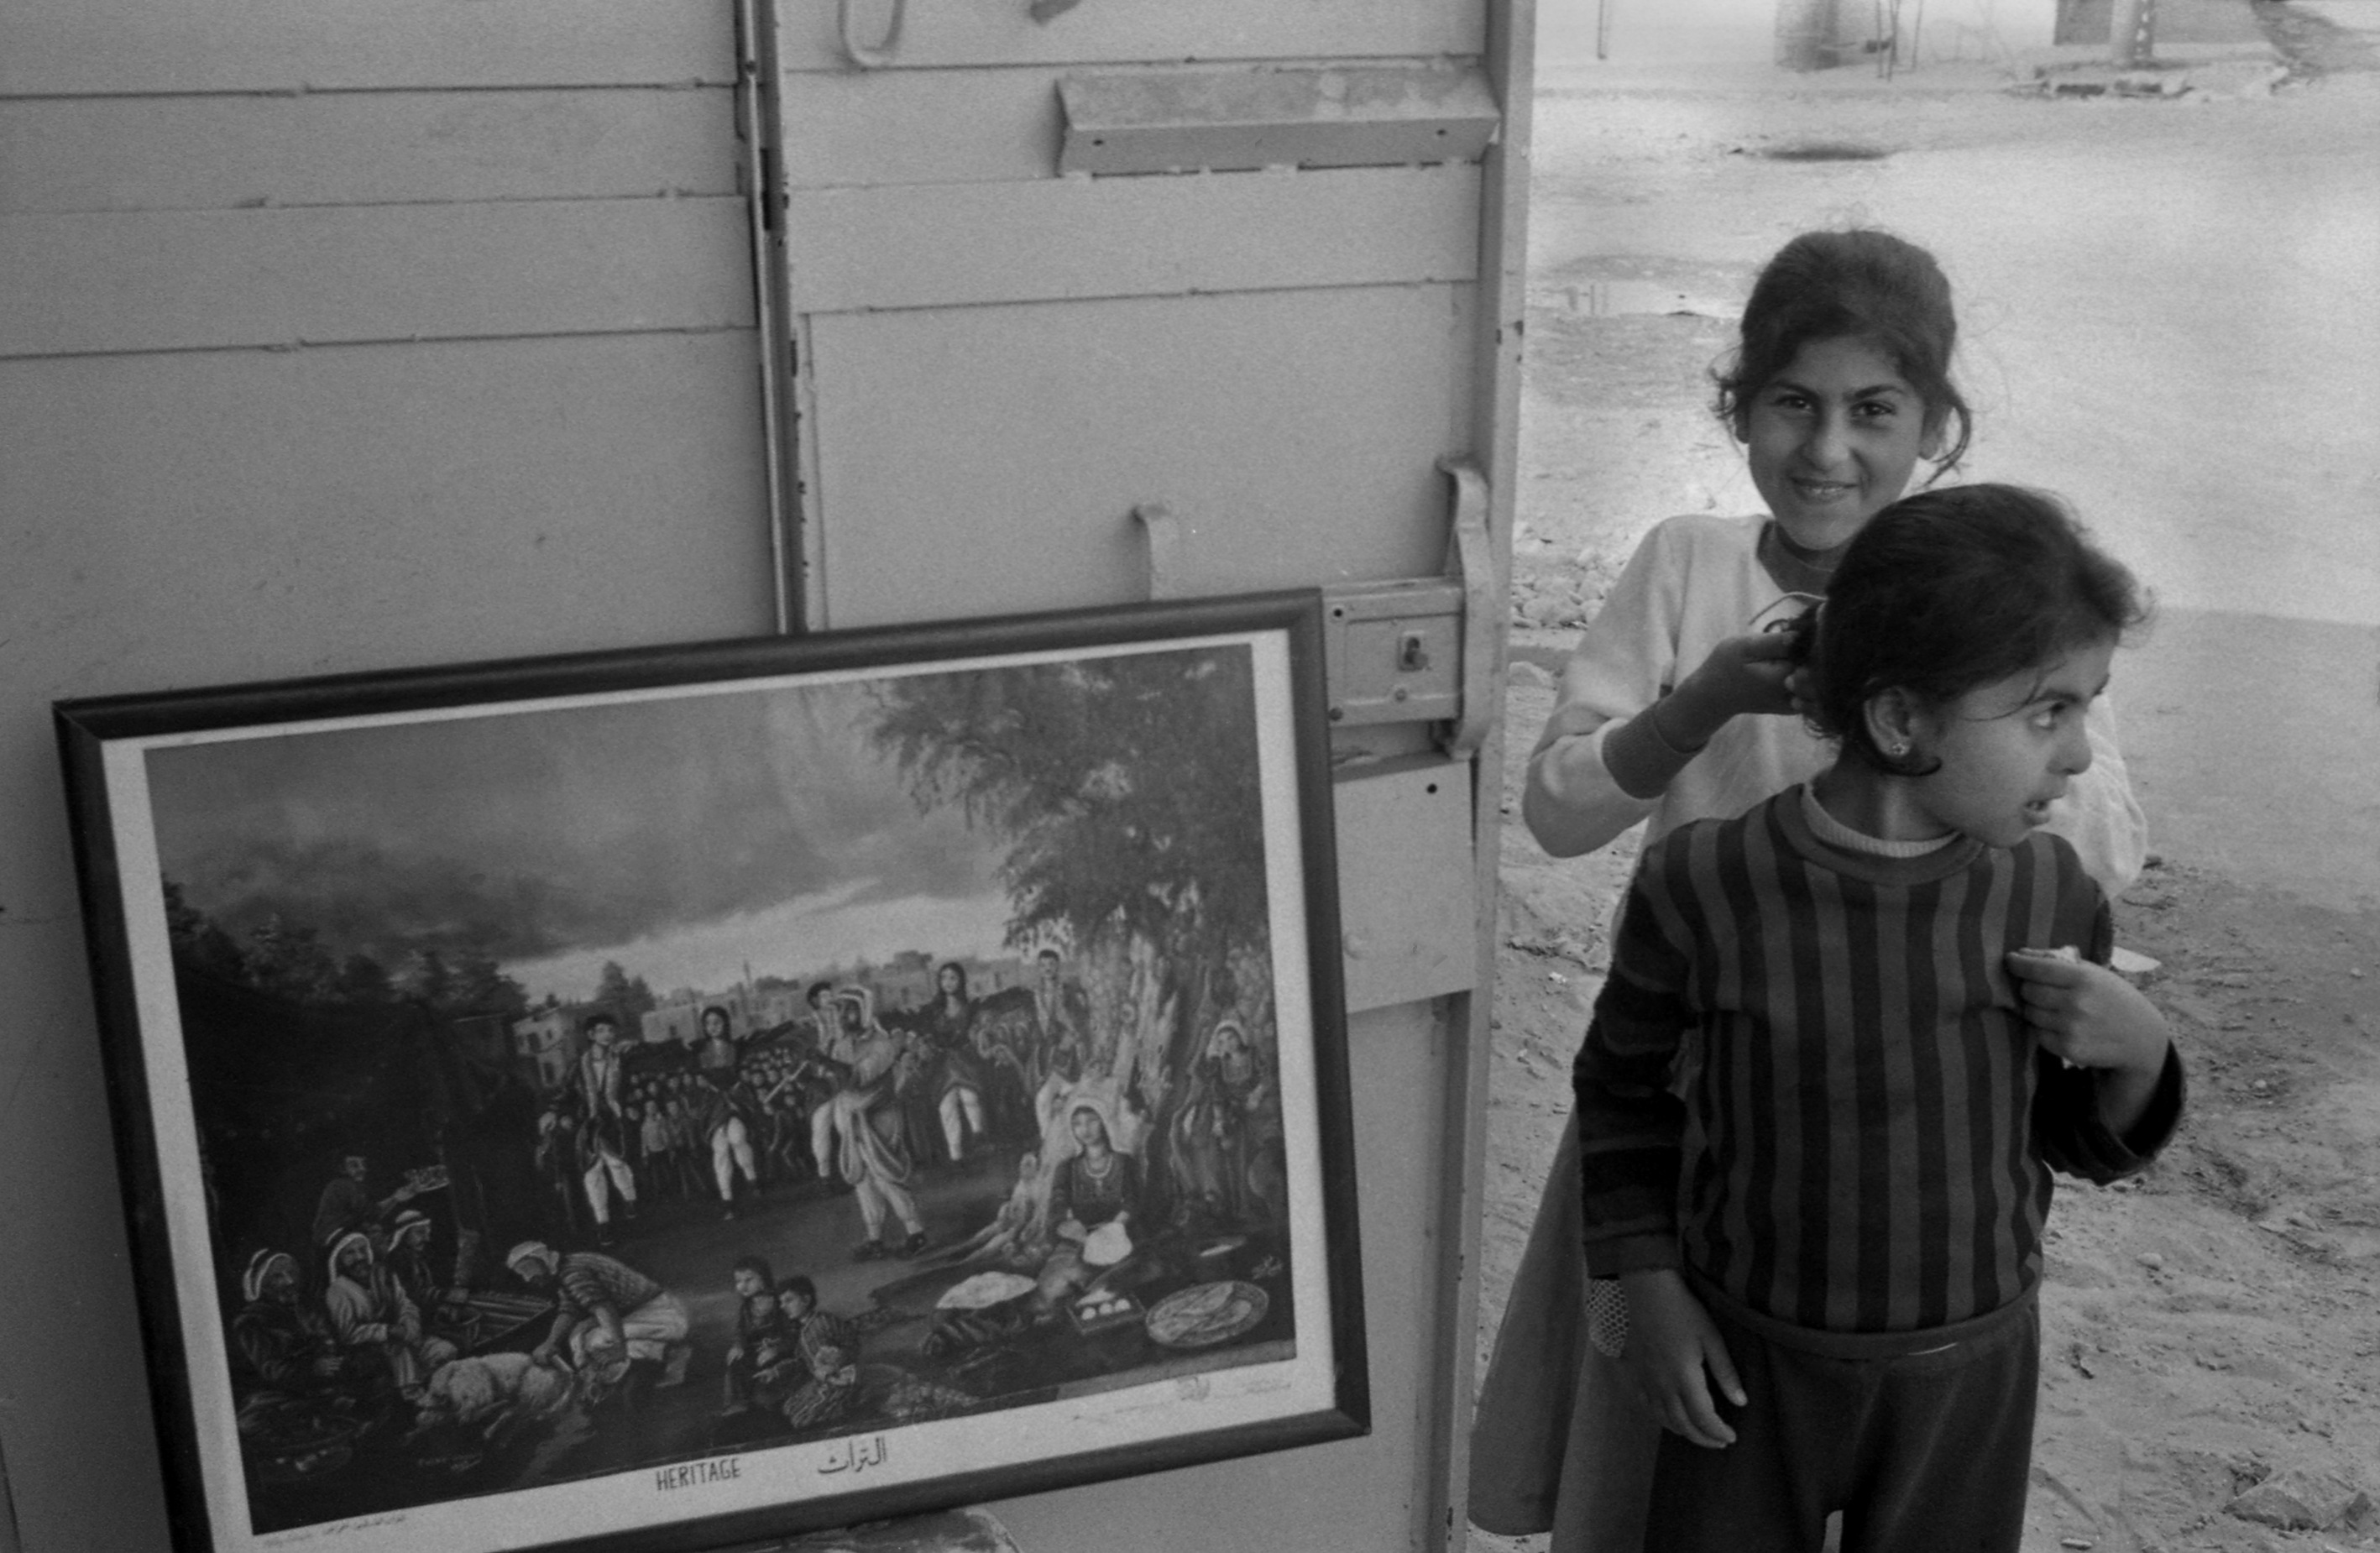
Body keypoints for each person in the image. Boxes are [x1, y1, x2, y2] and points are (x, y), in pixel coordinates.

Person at [1470, 228, 2154, 1552]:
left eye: (1872, 410)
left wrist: (1973, 678)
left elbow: (2095, 849)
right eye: (1791, 402)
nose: (1826, 449)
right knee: (1659, 1449)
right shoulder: (1685, 564)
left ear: (1933, 428)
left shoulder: (1989, 602)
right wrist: (1711, 695)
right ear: (1739, 408)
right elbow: (1557, 810)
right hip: (1691, 1095)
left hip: (1911, 1103)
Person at [1569, 485, 2184, 1550]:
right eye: (2049, 711)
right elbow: (1621, 1094)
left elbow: (2063, 1136)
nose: (2080, 754)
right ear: (1900, 719)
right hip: (1743, 1356)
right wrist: (1645, 1288)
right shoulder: (1705, 885)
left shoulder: (2052, 896)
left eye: (2086, 706)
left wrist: (2142, 1052)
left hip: (1971, 1373)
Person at [506, 1240, 693, 1391]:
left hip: (657, 1311)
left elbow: (604, 1308)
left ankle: (672, 1353)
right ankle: (594, 1381)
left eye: (529, 1270)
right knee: (578, 1336)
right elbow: (570, 1310)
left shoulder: (574, 1271)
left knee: (599, 1342)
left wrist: (619, 1347)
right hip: (635, 1311)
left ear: (542, 1261)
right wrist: (551, 1342)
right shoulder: (567, 1269)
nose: (528, 1278)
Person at [322, 1229, 458, 1399]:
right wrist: (387, 1331)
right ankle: (413, 1399)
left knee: (445, 1351)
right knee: (399, 1353)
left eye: (362, 1250)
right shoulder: (337, 1291)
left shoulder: (383, 1273)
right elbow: (348, 1333)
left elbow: (405, 1303)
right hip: (370, 1352)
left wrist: (409, 1325)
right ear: (339, 1259)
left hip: (404, 1337)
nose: (359, 1257)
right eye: (350, 1253)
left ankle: (435, 1391)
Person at [573, 1014, 639, 1242]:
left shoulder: (620, 1061)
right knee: (593, 1172)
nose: (607, 1035)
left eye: (610, 1030)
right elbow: (567, 1092)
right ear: (591, 1035)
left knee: (617, 1162)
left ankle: (629, 1198)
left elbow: (630, 1088)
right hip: (590, 1122)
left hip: (613, 1119)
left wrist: (629, 1106)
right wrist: (556, 1112)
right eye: (602, 1031)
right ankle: (603, 1223)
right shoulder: (580, 1065)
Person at [921, 961, 990, 1163]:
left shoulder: (969, 1009)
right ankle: (955, 1154)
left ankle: (978, 1134)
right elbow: (929, 1037)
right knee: (947, 1106)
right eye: (944, 978)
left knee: (969, 1096)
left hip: (964, 1060)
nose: (948, 982)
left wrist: (979, 1036)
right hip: (942, 1064)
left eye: (953, 978)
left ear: (960, 981)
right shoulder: (934, 1011)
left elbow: (975, 1033)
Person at [719, 1255, 785, 1417]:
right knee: (737, 1362)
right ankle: (739, 1402)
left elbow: (792, 1331)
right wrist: (738, 1346)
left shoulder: (779, 1302)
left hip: (780, 1350)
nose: (742, 1286)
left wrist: (776, 1349)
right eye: (738, 1281)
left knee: (769, 1370)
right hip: (755, 1351)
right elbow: (741, 1331)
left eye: (748, 1280)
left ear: (763, 1279)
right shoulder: (747, 1307)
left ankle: (772, 1400)